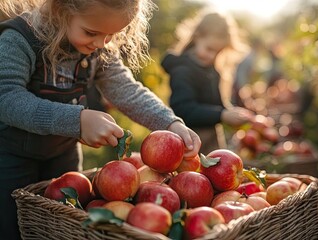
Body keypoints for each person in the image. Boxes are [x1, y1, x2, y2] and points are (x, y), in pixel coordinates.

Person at [0, 0, 201, 239]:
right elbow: (6, 97)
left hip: (63, 156)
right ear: (60, 9)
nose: (101, 43)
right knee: (12, 227)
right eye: (91, 33)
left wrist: (169, 123)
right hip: (12, 159)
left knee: (63, 226)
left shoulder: (98, 46)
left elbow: (126, 90)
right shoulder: (20, 39)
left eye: (111, 35)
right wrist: (77, 120)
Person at [161, 11, 255, 155]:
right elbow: (183, 109)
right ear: (198, 37)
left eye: (217, 52)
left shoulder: (212, 71)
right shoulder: (183, 70)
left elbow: (214, 106)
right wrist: (222, 115)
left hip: (211, 144)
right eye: (209, 49)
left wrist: (231, 112)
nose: (212, 56)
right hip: (190, 145)